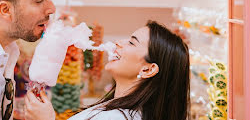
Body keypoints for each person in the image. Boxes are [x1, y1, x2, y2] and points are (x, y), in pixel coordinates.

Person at [24, 21, 190, 120]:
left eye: (132, 43)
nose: (118, 42)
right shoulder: (116, 109)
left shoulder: (118, 118)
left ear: (148, 69)